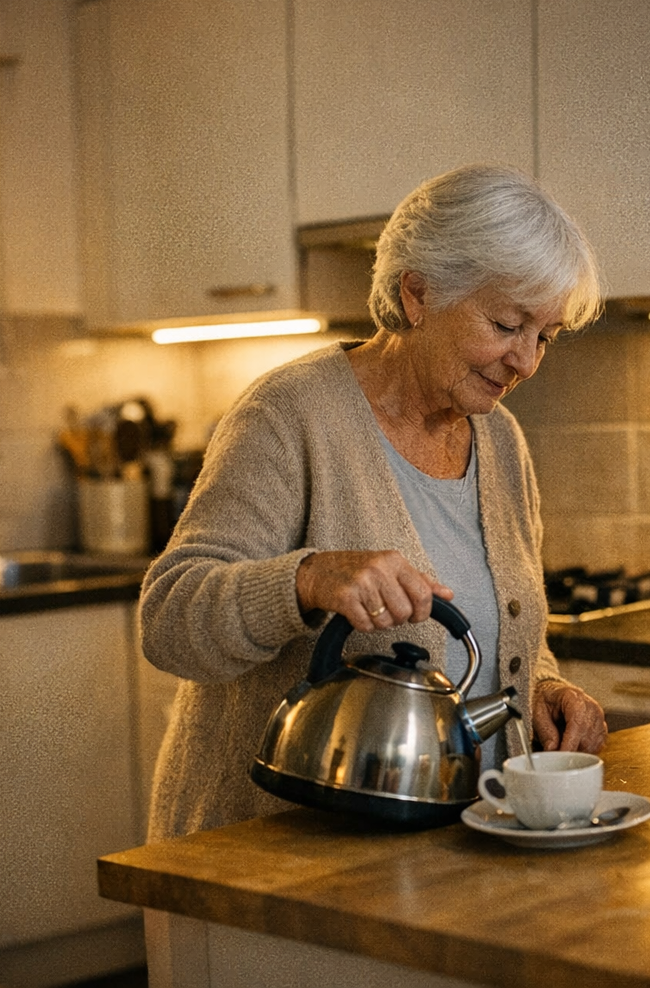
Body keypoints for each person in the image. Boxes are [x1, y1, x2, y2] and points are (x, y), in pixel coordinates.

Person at [139, 163, 608, 841]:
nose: (527, 362)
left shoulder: (501, 439)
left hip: (455, 849)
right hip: (274, 849)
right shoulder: (289, 415)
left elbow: (500, 635)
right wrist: (305, 580)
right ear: (418, 293)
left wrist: (541, 687)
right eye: (507, 324)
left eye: (546, 337)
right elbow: (169, 618)